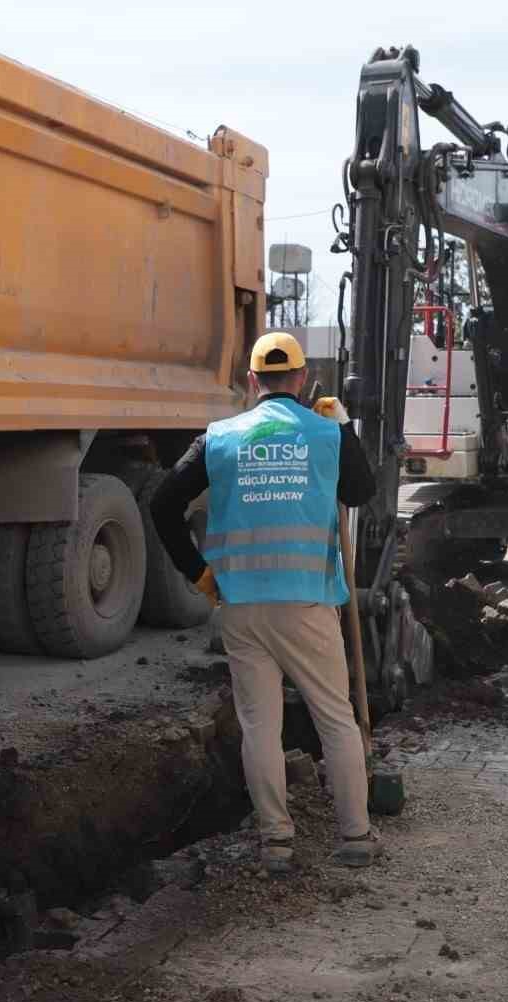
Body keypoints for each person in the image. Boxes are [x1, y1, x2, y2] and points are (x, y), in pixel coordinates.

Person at [150, 332, 380, 874]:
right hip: (306, 604)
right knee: (336, 721)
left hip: (241, 606)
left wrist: (198, 573)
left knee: (259, 726)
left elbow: (163, 504)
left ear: (252, 382)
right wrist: (344, 428)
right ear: (301, 379)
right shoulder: (325, 434)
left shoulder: (220, 438)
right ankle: (355, 836)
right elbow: (362, 492)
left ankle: (275, 842)